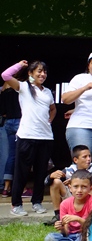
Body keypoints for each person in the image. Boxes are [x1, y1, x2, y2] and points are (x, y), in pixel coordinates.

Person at [2, 60, 56, 217]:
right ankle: (16, 204)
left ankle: (37, 202)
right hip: (26, 136)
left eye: (44, 71)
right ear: (30, 74)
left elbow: (53, 109)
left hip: (45, 137)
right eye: (38, 71)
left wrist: (50, 120)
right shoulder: (24, 87)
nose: (42, 74)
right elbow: (5, 75)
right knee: (22, 172)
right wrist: (19, 65)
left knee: (40, 172)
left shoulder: (47, 92)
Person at [40, 170, 92, 241]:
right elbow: (66, 232)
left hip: (86, 235)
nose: (79, 190)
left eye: (84, 187)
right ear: (70, 188)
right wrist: (62, 228)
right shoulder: (65, 204)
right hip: (70, 237)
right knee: (50, 239)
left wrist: (78, 219)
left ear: (90, 188)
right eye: (75, 187)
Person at [45, 145, 92, 226]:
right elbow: (46, 183)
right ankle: (58, 215)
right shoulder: (69, 170)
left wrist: (77, 180)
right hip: (73, 198)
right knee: (55, 182)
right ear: (76, 160)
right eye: (85, 157)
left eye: (89, 156)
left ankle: (90, 214)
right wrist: (51, 176)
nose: (88, 159)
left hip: (89, 199)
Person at [0, 85, 20, 198]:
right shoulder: (23, 91)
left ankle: (6, 188)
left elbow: (2, 112)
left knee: (11, 155)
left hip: (8, 123)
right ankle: (19, 188)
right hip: (21, 122)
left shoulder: (5, 93)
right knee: (22, 156)